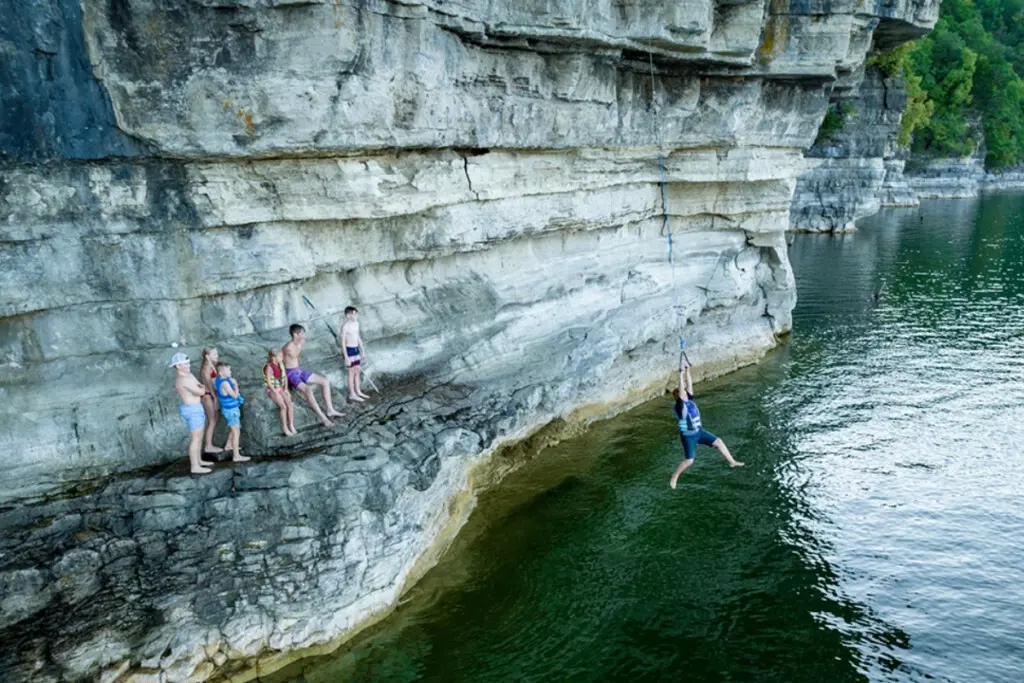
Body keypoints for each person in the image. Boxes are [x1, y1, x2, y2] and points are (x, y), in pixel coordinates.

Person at [669, 362, 743, 489]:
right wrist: (680, 374)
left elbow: (689, 385)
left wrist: (687, 371)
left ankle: (732, 462)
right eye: (684, 392)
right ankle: (674, 477)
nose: (686, 392)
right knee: (689, 461)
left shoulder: (690, 401)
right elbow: (682, 389)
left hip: (699, 432)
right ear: (680, 397)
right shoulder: (680, 406)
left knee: (718, 442)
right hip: (689, 436)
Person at [283, 324, 345, 427]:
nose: (304, 335)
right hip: (290, 374)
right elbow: (282, 363)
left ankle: (330, 410)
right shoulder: (288, 348)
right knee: (308, 390)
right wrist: (284, 384)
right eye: (302, 333)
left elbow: (296, 358)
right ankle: (323, 418)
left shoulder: (301, 342)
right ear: (295, 334)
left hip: (298, 370)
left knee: (325, 382)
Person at [170, 353, 214, 475]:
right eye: (185, 364)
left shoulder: (188, 374)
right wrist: (202, 388)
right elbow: (201, 391)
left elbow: (200, 388)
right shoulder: (183, 379)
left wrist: (201, 388)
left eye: (188, 363)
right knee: (195, 438)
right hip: (192, 409)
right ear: (178, 366)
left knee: (199, 437)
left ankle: (199, 460)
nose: (189, 365)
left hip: (196, 407)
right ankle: (194, 466)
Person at [214, 362, 251, 463]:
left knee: (236, 427)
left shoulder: (218, 380)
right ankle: (236, 456)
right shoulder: (225, 384)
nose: (231, 371)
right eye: (228, 370)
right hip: (231, 410)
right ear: (221, 372)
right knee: (236, 433)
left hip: (229, 409)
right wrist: (236, 386)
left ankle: (228, 445)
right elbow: (234, 395)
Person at [339, 306, 370, 402]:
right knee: (351, 373)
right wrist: (346, 357)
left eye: (356, 314)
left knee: (357, 371)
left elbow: (358, 337)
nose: (356, 316)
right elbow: (343, 343)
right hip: (349, 350)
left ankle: (358, 391)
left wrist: (363, 350)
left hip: (356, 349)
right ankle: (352, 394)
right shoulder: (345, 327)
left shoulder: (356, 324)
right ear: (348, 315)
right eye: (354, 314)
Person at [264, 348, 297, 436]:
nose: (282, 358)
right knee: (283, 406)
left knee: (289, 404)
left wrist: (286, 389)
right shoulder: (269, 367)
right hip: (272, 389)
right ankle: (284, 428)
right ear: (274, 358)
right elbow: (269, 382)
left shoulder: (281, 364)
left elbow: (285, 376)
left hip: (280, 387)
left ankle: (291, 425)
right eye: (280, 356)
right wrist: (276, 393)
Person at [198, 348, 225, 456]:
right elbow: (209, 384)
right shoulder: (206, 368)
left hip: (212, 395)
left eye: (217, 353)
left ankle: (209, 444)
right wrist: (215, 398)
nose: (217, 355)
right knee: (212, 421)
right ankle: (208, 446)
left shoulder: (211, 365)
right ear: (207, 356)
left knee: (215, 420)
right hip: (208, 396)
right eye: (214, 354)